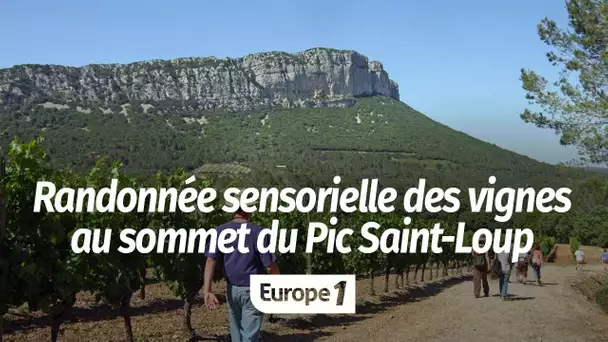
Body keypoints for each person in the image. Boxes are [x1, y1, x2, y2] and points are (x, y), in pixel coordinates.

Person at [203, 207, 281, 342]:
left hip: (231, 289)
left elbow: (210, 260)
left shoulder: (220, 231)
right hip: (253, 290)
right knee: (249, 336)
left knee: (236, 333)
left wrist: (207, 290)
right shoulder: (258, 232)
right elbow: (269, 265)